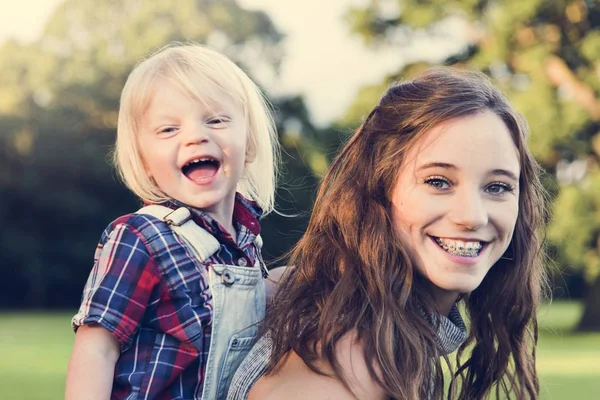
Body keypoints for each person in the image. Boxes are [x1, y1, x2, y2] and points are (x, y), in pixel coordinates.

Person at [228, 67, 548, 399]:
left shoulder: (328, 300)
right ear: (379, 189)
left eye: (497, 187)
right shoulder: (350, 358)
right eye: (437, 182)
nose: (472, 216)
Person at [65, 43, 280, 400]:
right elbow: (96, 348)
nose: (195, 135)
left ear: (250, 142)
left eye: (215, 120)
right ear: (144, 159)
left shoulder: (245, 245)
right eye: (168, 130)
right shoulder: (140, 237)